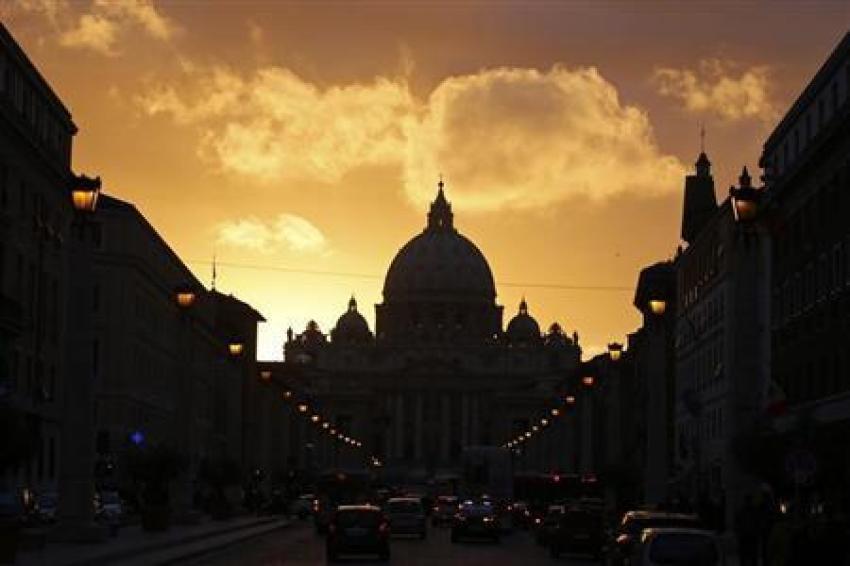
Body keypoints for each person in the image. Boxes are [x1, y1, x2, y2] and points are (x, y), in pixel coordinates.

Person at [735, 495, 760, 566]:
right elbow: (737, 523)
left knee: (751, 557)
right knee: (745, 557)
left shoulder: (753, 511)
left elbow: (757, 523)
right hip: (745, 536)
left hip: (750, 536)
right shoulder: (742, 511)